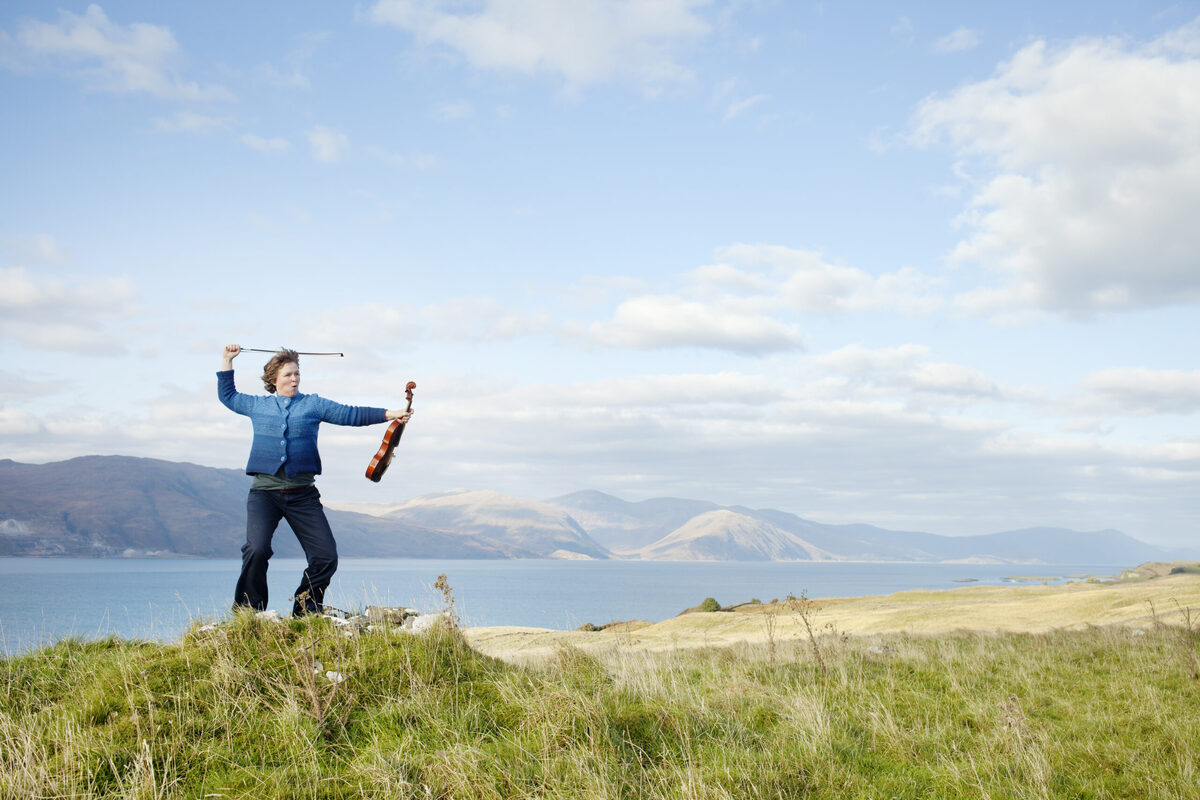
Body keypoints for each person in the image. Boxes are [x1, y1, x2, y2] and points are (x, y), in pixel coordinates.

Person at [217, 344, 412, 616]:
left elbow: (350, 414)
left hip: (303, 495)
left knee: (325, 556)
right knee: (256, 549)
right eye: (288, 375)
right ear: (274, 379)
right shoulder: (257, 405)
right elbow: (227, 395)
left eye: (297, 374)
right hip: (265, 494)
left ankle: (305, 608)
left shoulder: (313, 404)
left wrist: (390, 414)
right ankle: (249, 612)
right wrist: (227, 360)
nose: (294, 379)